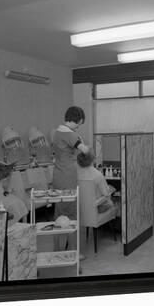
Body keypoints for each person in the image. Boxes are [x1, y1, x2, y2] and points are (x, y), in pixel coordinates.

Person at [52, 106, 89, 250]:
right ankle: (74, 252)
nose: (79, 126)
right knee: (71, 215)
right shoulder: (70, 134)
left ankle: (57, 249)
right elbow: (84, 151)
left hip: (58, 175)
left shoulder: (57, 132)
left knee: (59, 214)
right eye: (80, 123)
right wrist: (87, 146)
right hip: (68, 176)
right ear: (77, 120)